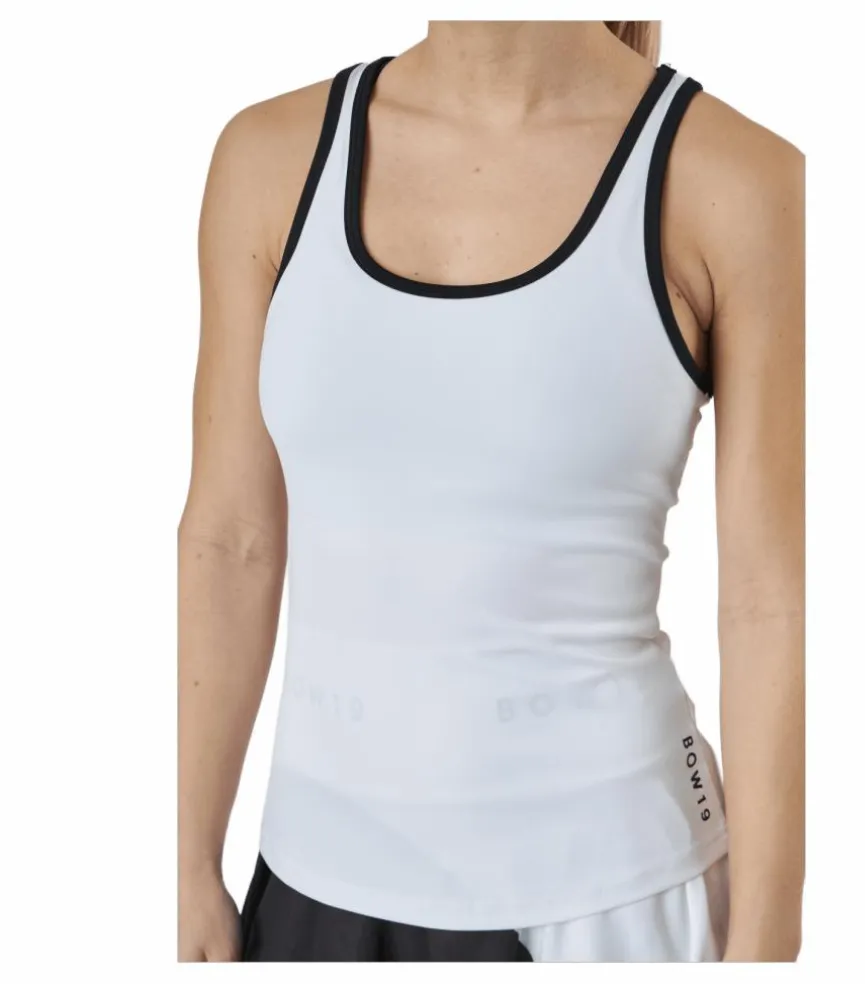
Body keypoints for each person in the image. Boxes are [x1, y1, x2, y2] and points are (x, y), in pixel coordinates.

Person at [177, 20, 804, 962]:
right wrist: (186, 863)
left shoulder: (736, 180)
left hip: (609, 906)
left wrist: (768, 941)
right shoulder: (268, 159)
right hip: (313, 885)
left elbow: (768, 595)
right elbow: (231, 538)